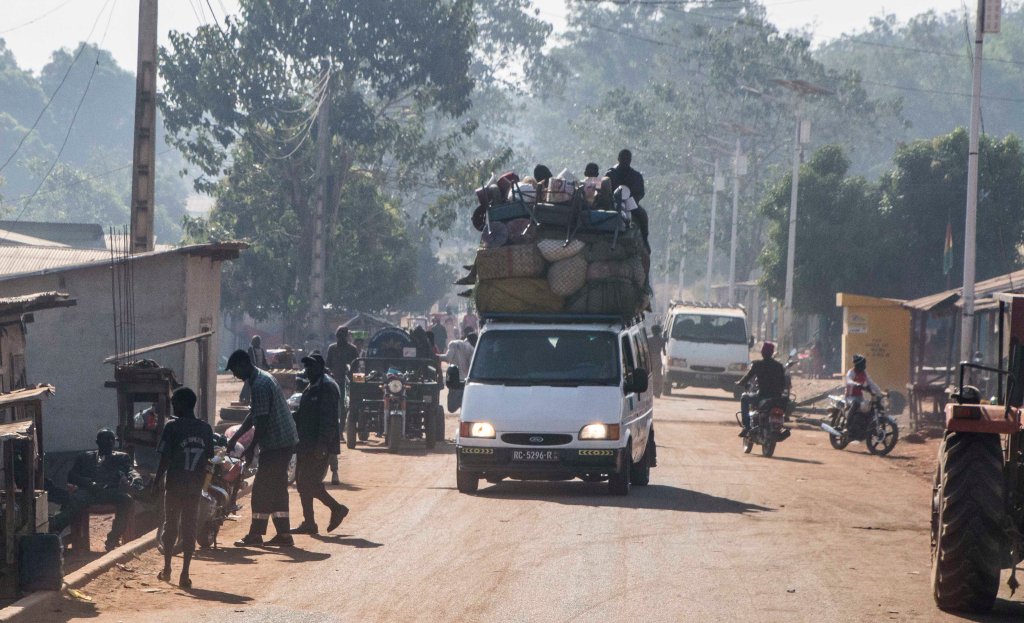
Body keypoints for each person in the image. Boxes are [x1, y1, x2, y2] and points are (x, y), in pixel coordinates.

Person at [226, 349, 299, 547]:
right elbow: (254, 415)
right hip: (284, 441)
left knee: (261, 488)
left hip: (277, 443)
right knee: (276, 488)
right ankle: (284, 535)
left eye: (235, 370)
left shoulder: (259, 384)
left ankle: (255, 535)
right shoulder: (262, 378)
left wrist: (250, 449)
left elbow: (263, 421)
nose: (235, 375)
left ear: (243, 364)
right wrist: (237, 438)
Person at [154, 387, 213, 588]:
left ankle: (168, 568)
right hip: (194, 486)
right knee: (189, 528)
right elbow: (208, 460)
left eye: (174, 402)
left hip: (175, 485)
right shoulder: (205, 429)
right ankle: (185, 573)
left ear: (183, 404)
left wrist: (155, 483)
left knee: (171, 526)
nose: (172, 405)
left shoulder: (172, 427)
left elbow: (165, 458)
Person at [50, 429, 142, 551]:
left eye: (111, 439)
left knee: (127, 500)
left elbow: (130, 470)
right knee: (75, 500)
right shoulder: (84, 457)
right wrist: (88, 483)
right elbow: (71, 476)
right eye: (105, 439)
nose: (109, 442)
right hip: (89, 492)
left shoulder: (121, 457)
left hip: (109, 492)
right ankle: (53, 529)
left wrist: (136, 478)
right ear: (97, 442)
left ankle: (113, 539)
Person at [290, 354, 349, 535]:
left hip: (318, 445)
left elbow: (329, 420)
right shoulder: (311, 386)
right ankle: (309, 522)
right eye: (306, 368)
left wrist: (322, 446)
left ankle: (336, 508)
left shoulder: (327, 387)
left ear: (321, 367)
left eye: (312, 367)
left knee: (310, 482)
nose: (308, 371)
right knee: (303, 483)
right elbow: (303, 414)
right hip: (305, 443)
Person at [325, 326, 359, 485]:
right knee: (335, 408)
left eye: (342, 335)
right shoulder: (332, 349)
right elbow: (327, 365)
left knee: (344, 408)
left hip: (348, 384)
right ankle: (338, 432)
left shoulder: (353, 350)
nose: (341, 337)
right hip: (334, 383)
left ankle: (340, 432)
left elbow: (357, 367)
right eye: (340, 335)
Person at [735, 341, 787, 438]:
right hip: (777, 398)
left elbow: (747, 377)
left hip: (762, 395)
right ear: (772, 353)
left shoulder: (757, 365)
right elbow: (784, 383)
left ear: (762, 352)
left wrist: (740, 383)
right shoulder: (779, 366)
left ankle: (746, 426)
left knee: (744, 398)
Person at [605, 149, 649, 252]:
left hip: (630, 203)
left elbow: (640, 192)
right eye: (623, 158)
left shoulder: (636, 176)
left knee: (642, 215)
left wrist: (631, 201)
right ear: (618, 159)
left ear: (630, 160)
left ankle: (645, 239)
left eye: (627, 159)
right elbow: (605, 190)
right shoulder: (611, 174)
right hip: (613, 203)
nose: (625, 161)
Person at [845, 354, 881, 431]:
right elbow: (848, 381)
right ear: (858, 364)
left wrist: (880, 392)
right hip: (850, 397)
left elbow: (871, 383)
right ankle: (847, 425)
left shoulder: (864, 373)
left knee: (869, 406)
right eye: (862, 363)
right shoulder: (851, 372)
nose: (864, 365)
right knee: (855, 404)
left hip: (859, 397)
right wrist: (856, 384)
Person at [648, 325, 666, 398]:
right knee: (658, 375)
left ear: (652, 331)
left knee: (650, 375)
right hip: (658, 358)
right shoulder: (662, 340)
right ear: (659, 331)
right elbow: (664, 352)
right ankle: (657, 392)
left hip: (650, 358)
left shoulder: (649, 340)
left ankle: (651, 391)